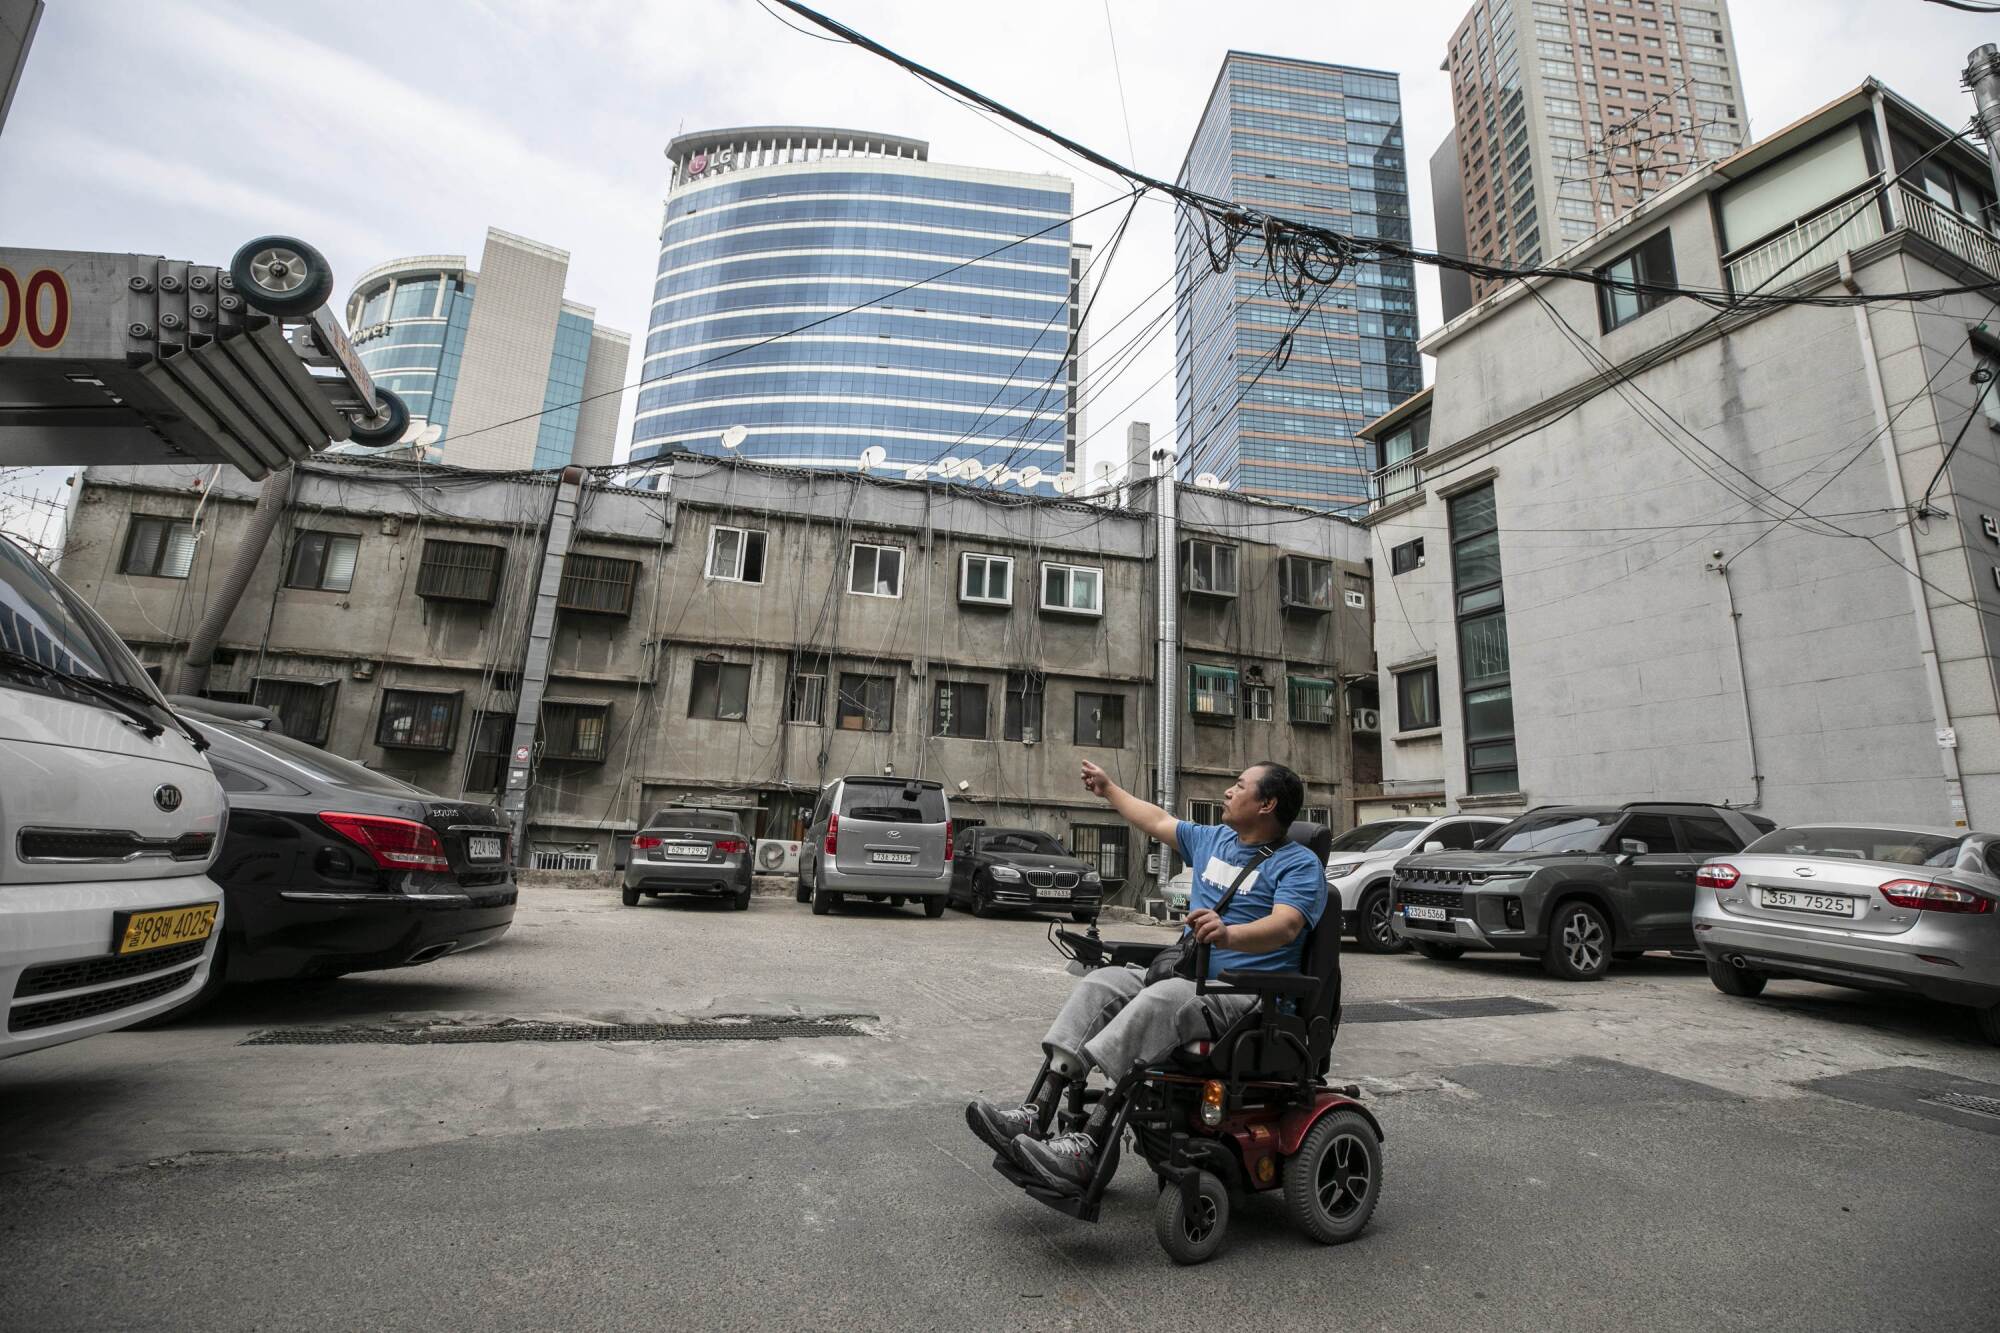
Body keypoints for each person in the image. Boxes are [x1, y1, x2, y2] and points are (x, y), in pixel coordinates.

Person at [964, 758, 1327, 1195]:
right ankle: (1036, 1112)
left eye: (1239, 785)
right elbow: (1155, 820)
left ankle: (1087, 1146)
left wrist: (1229, 935)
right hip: (1191, 980)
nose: (1228, 792)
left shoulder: (1298, 864)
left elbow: (1286, 925)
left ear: (1267, 804)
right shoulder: (1214, 840)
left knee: (1163, 998)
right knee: (1104, 982)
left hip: (1248, 997)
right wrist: (1108, 789)